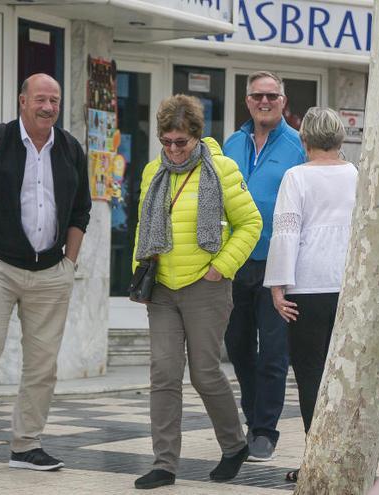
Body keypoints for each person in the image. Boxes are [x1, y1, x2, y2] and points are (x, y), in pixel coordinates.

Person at [0, 73, 91, 472]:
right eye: (41, 99)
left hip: (51, 272)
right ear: (22, 101)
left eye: (55, 101)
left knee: (42, 365)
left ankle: (26, 446)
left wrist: (70, 264)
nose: (48, 107)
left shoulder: (70, 149)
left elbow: (81, 211)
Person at [132, 94, 262, 489]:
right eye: (167, 142)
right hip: (163, 289)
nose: (173, 150)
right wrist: (140, 271)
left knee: (204, 373)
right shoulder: (153, 171)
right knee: (164, 374)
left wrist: (221, 268)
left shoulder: (221, 169)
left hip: (206, 287)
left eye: (181, 143)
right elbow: (143, 224)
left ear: (196, 137)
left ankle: (234, 444)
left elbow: (251, 224)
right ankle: (164, 464)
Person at [263, 107, 358, 482]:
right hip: (347, 286)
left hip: (307, 286)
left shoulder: (296, 177)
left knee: (310, 375)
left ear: (304, 140)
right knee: (344, 376)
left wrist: (277, 284)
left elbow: (286, 231)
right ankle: (346, 459)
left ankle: (316, 461)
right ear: (340, 139)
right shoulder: (356, 174)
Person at [222, 71, 307, 461]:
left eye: (272, 96)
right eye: (258, 96)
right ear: (248, 101)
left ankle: (263, 430)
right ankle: (252, 412)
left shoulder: (298, 145)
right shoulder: (232, 143)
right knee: (237, 345)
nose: (265, 102)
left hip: (278, 265)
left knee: (273, 350)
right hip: (236, 261)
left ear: (283, 101)